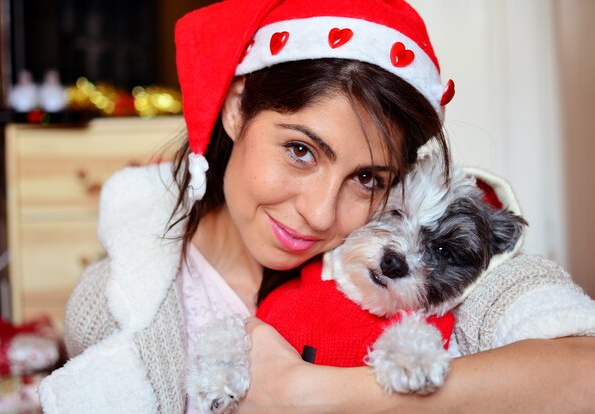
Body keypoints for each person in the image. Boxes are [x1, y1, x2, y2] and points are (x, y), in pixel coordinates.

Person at [38, 0, 595, 413]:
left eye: (366, 178)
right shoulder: (125, 300)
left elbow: (583, 372)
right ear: (237, 109)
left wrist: (315, 395)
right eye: (301, 150)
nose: (322, 214)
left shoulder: (429, 257)